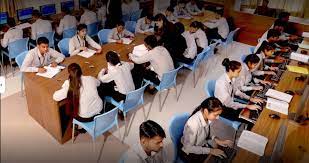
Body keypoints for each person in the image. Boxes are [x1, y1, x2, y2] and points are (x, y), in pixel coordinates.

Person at [180, 97, 234, 162]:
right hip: (189, 153)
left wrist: (218, 141)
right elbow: (188, 148)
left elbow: (206, 134)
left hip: (201, 146)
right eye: (216, 115)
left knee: (222, 156)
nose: (217, 118)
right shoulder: (193, 124)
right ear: (206, 111)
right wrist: (211, 151)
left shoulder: (206, 117)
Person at [214, 58, 263, 127]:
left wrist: (250, 99)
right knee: (251, 119)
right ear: (231, 71)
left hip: (231, 102)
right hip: (223, 108)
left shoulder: (233, 77)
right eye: (238, 71)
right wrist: (248, 106)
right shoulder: (221, 84)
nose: (240, 73)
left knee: (254, 109)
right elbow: (230, 104)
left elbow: (236, 91)